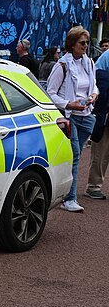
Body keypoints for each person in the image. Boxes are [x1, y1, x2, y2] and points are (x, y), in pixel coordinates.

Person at [46, 26, 98, 212]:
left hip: (86, 116)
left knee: (72, 157)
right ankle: (70, 198)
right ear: (72, 44)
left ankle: (61, 191)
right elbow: (50, 94)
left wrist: (93, 95)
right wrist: (69, 104)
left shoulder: (89, 63)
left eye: (87, 42)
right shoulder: (62, 65)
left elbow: (94, 86)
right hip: (69, 117)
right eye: (81, 42)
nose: (85, 46)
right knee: (75, 155)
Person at [85, 48, 109, 200]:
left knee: (102, 152)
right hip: (106, 114)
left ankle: (94, 185)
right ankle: (93, 185)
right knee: (101, 152)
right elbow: (98, 81)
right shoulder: (106, 57)